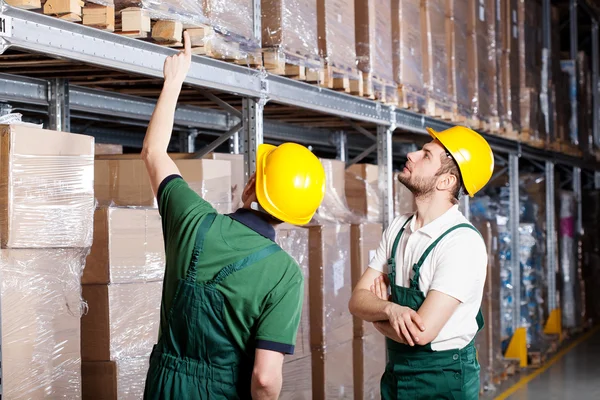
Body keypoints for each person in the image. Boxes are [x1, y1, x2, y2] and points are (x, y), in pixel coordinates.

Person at [141, 32, 326, 400]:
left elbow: (153, 152)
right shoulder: (284, 275)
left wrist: (175, 79)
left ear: (251, 185)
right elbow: (264, 379)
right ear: (293, 217)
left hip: (163, 385)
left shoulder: (193, 220)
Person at [348, 125, 494, 399]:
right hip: (397, 373)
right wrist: (391, 310)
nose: (412, 155)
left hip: (443, 381)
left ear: (446, 182)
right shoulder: (398, 227)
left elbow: (420, 333)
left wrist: (376, 317)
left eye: (426, 155)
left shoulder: (461, 243)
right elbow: (356, 301)